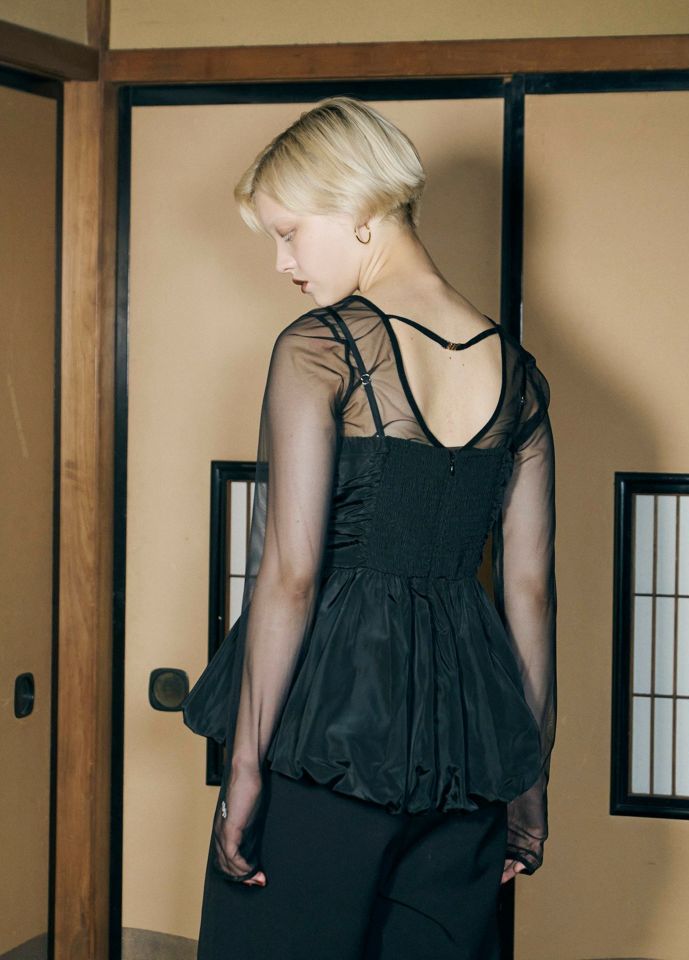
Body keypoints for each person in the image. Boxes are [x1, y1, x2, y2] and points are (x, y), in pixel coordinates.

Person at [181, 95, 557, 960]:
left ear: (357, 209)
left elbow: (291, 575)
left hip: (328, 731)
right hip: (468, 747)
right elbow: (531, 591)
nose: (282, 262)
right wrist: (527, 778)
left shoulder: (320, 347)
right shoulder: (521, 377)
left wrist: (244, 772)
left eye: (288, 233)